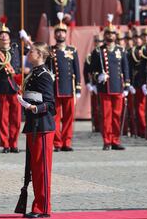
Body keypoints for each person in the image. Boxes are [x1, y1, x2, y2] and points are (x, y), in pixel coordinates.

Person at [17, 42, 56, 218]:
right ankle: (37, 204)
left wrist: (34, 108)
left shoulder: (44, 76)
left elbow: (50, 104)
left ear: (40, 54)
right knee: (34, 168)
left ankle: (43, 207)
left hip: (42, 126)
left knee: (42, 169)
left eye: (31, 51)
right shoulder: (34, 73)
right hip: (34, 126)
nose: (28, 53)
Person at [90, 15, 130, 150]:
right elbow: (92, 70)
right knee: (106, 116)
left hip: (118, 86)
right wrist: (98, 76)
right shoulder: (98, 52)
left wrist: (127, 86)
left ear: (115, 35)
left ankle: (116, 140)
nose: (110, 35)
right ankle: (107, 140)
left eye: (112, 33)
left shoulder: (121, 50)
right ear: (105, 35)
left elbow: (125, 69)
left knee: (117, 115)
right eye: (108, 33)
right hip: (105, 88)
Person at [48, 16, 81, 152]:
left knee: (69, 117)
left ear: (66, 34)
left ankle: (67, 142)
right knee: (55, 117)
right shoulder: (50, 50)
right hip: (55, 88)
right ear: (55, 34)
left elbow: (77, 70)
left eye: (63, 32)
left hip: (68, 87)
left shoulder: (72, 50)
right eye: (58, 32)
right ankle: (57, 142)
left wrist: (78, 88)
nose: (60, 34)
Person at [0, 18, 22, 153]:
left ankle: (14, 143)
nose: (4, 37)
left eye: (6, 35)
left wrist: (25, 39)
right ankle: (5, 144)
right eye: (1, 36)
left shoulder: (17, 49)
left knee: (16, 118)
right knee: (3, 118)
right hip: (3, 89)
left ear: (10, 38)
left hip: (15, 88)